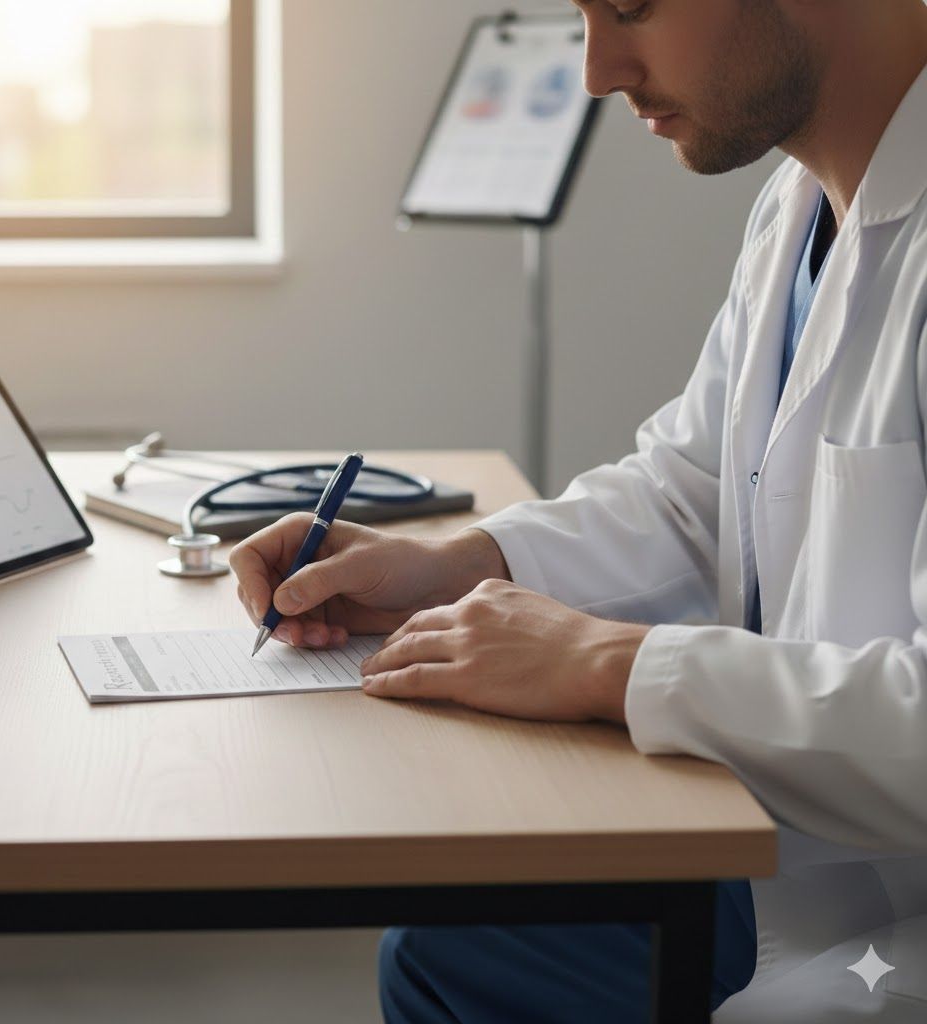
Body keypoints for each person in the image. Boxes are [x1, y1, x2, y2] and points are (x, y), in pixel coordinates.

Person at [230, 0, 927, 1019]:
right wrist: (454, 563)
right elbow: (692, 488)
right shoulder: (796, 208)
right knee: (445, 952)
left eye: (631, 7)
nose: (598, 69)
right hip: (818, 863)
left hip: (895, 925)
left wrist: (608, 661)